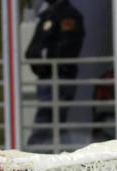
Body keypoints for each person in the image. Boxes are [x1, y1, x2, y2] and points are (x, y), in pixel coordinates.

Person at [25, 0, 85, 148]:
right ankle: (69, 160)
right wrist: (40, 64)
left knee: (47, 120)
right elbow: (32, 50)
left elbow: (67, 50)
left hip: (60, 78)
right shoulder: (46, 16)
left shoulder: (69, 16)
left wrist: (47, 60)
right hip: (45, 79)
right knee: (55, 126)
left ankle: (30, 157)